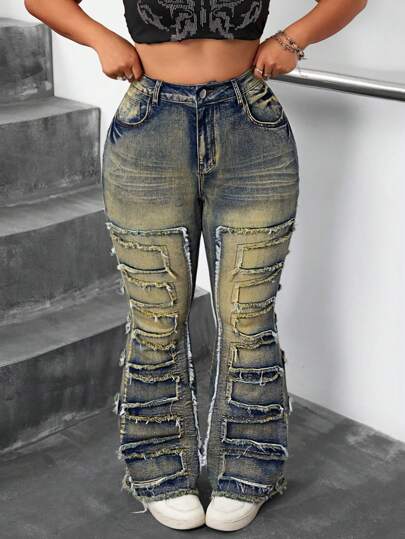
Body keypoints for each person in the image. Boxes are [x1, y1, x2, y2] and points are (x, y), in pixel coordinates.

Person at [24, 0, 368, 531]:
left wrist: (292, 40)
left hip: (250, 124)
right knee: (156, 319)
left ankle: (249, 471)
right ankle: (159, 470)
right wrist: (101, 39)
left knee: (248, 318)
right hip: (150, 125)